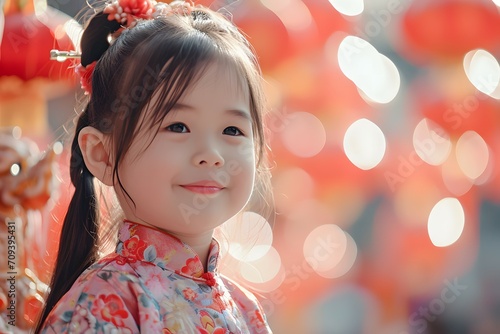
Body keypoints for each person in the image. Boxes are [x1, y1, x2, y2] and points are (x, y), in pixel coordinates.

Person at [35, 0, 273, 332]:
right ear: (103, 154)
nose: (212, 154)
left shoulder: (246, 309)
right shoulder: (104, 302)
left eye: (232, 130)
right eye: (178, 127)